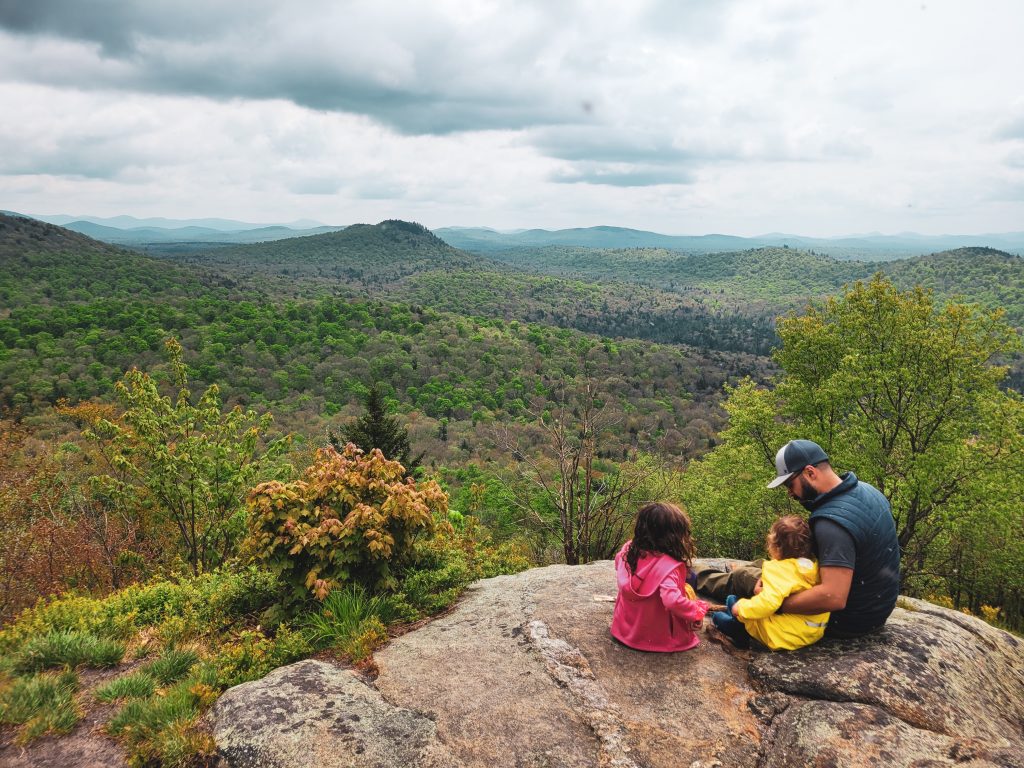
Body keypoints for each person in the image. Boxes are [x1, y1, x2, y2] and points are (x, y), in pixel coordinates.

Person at [696, 439, 900, 638]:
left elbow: (833, 597)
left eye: (790, 484)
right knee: (765, 566)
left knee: (746, 578)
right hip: (875, 611)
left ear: (810, 472)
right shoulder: (868, 491)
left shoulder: (831, 524)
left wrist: (775, 603)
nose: (790, 494)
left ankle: (694, 575)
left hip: (846, 622)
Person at [710, 515, 829, 650]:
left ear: (777, 546)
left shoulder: (779, 570)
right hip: (811, 632)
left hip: (782, 635)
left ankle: (740, 634)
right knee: (736, 602)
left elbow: (769, 603)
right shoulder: (815, 567)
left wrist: (741, 608)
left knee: (731, 603)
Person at [611, 502, 709, 652]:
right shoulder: (669, 568)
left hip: (625, 630)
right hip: (656, 637)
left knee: (691, 577)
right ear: (673, 536)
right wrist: (695, 612)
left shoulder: (628, 551)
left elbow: (618, 564)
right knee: (692, 579)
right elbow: (671, 600)